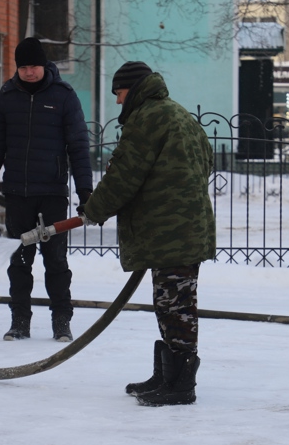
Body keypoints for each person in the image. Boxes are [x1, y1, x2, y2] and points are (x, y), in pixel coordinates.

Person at [79, 62, 215, 406]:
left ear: (134, 89)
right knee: (172, 302)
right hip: (182, 225)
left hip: (171, 229)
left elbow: (125, 174)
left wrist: (94, 210)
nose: (118, 102)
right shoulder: (178, 114)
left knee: (176, 306)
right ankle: (167, 376)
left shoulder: (147, 118)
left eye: (119, 94)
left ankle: (180, 385)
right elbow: (207, 161)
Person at [0, 37, 93, 342]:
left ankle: (61, 322)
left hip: (51, 193)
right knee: (20, 262)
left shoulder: (64, 96)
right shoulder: (7, 97)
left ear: (44, 65)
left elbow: (78, 148)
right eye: (23, 67)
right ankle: (19, 322)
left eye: (33, 66)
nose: (28, 72)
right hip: (17, 193)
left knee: (56, 261)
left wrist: (86, 193)